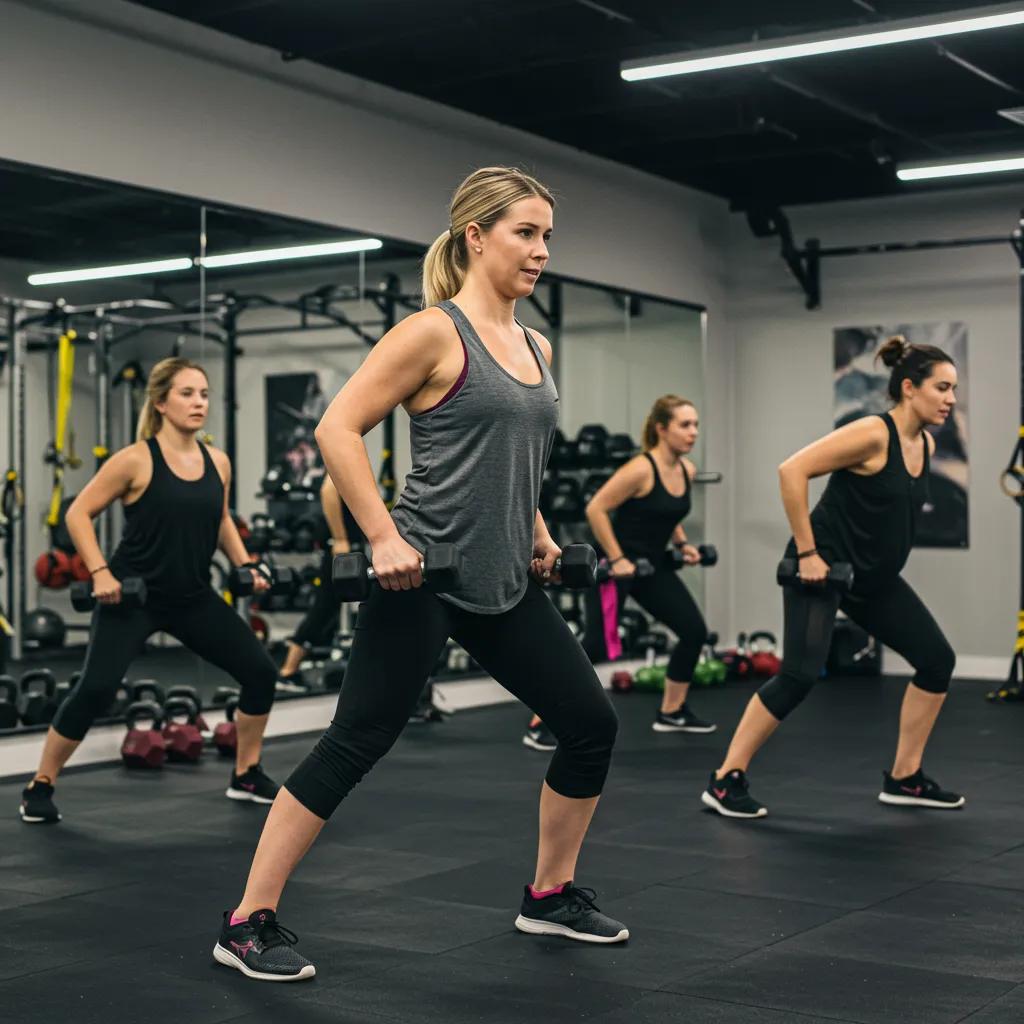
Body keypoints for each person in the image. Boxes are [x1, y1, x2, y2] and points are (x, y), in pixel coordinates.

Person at [213, 167, 627, 984]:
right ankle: (245, 920)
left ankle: (549, 894)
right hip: (423, 573)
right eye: (526, 233)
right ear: (477, 236)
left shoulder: (536, 342)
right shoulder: (433, 334)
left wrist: (541, 532)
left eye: (547, 235)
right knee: (358, 738)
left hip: (507, 578)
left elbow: (521, 461)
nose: (541, 250)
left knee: (590, 724)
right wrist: (380, 536)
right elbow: (339, 429)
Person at [703, 336, 962, 819]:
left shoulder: (924, 443)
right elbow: (791, 471)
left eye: (954, 390)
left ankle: (905, 778)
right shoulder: (872, 433)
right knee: (799, 675)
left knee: (936, 660)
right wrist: (808, 552)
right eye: (942, 388)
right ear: (909, 388)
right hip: (820, 570)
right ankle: (725, 779)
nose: (951, 399)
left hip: (874, 581)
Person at [19, 358, 281, 825]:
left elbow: (221, 520)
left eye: (204, 393)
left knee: (260, 672)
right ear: (160, 402)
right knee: (96, 687)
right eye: (187, 393)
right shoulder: (135, 459)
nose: (199, 402)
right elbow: (77, 513)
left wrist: (247, 564)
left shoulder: (217, 461)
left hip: (193, 597)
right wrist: (100, 571)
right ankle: (40, 782)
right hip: (132, 599)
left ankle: (246, 773)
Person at [522, 395, 713, 752]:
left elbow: (670, 514)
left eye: (696, 425)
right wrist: (619, 557)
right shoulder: (640, 469)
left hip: (650, 568)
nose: (694, 433)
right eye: (685, 425)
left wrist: (683, 543)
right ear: (661, 429)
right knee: (595, 646)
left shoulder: (685, 471)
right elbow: (596, 508)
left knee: (693, 631)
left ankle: (672, 711)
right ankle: (540, 721)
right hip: (616, 568)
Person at [275, 477, 359, 693]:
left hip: (351, 550)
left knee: (331, 612)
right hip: (341, 552)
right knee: (323, 609)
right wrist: (340, 538)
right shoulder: (340, 455)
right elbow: (328, 491)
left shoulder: (353, 457)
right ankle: (287, 672)